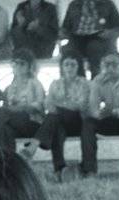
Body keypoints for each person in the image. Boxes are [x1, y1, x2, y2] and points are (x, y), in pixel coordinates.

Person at [0, 49, 46, 153]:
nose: (18, 67)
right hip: (16, 124)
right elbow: (5, 105)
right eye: (15, 63)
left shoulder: (35, 84)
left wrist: (20, 108)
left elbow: (39, 106)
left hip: (32, 122)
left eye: (22, 64)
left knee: (6, 112)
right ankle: (9, 159)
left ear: (29, 67)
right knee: (4, 128)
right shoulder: (11, 86)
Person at [34, 53, 91, 181]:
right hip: (60, 122)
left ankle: (36, 142)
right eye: (66, 64)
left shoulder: (85, 83)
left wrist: (60, 104)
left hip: (79, 122)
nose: (69, 68)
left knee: (55, 116)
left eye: (73, 64)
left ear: (78, 67)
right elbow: (48, 104)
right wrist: (65, 105)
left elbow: (80, 106)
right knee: (56, 127)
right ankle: (60, 169)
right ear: (62, 67)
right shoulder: (55, 83)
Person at [61, 0, 119, 78]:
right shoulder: (74, 4)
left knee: (94, 48)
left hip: (99, 37)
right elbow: (65, 27)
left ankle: (96, 82)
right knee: (68, 50)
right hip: (77, 37)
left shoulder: (107, 3)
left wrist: (109, 33)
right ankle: (79, 82)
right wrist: (63, 33)